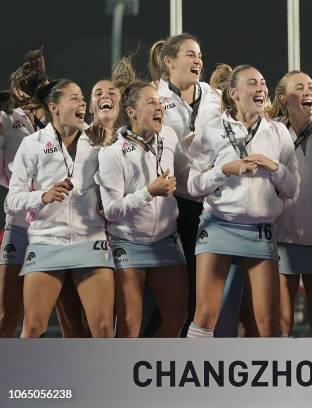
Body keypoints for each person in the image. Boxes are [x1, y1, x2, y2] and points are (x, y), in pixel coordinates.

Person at [186, 64, 298, 337]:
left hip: (260, 231)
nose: (261, 88)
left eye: (262, 83)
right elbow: (193, 186)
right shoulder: (211, 131)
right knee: (205, 317)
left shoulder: (279, 132)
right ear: (234, 93)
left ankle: (276, 379)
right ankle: (194, 377)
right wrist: (224, 171)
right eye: (252, 83)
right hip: (218, 226)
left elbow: (293, 188)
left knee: (269, 324)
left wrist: (274, 167)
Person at [149, 34, 243, 336]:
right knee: (169, 295)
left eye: (199, 55)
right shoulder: (153, 95)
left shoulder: (215, 97)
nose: (198, 61)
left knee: (207, 293)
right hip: (171, 204)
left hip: (212, 203)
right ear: (169, 61)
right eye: (190, 54)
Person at [6, 79, 115, 337]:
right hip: (46, 240)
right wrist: (42, 196)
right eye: (74, 98)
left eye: (82, 98)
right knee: (33, 327)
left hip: (90, 240)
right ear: (54, 107)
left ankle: (103, 378)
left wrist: (109, 139)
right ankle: (24, 378)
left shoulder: (96, 139)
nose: (83, 103)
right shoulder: (32, 143)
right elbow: (12, 199)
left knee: (102, 328)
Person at [96, 79, 187, 337]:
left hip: (167, 241)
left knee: (177, 319)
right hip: (128, 243)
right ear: (132, 113)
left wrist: (216, 178)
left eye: (160, 102)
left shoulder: (168, 136)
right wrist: (149, 192)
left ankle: (153, 374)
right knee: (129, 324)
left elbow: (186, 175)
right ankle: (122, 375)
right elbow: (111, 210)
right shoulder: (112, 153)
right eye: (151, 103)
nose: (159, 107)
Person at [269, 70, 312, 337]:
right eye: (300, 87)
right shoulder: (271, 133)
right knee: (282, 325)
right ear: (284, 98)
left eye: (311, 85)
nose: (308, 90)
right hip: (283, 240)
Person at [0, 49, 49, 337]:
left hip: (50, 227)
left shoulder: (54, 120)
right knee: (8, 312)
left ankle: (32, 372)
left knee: (37, 316)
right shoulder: (8, 118)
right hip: (18, 223)